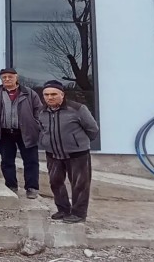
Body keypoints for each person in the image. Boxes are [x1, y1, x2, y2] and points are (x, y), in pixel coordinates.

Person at [39, 80, 100, 224]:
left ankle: (78, 214)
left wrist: (78, 142)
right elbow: (42, 129)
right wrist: (45, 141)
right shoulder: (41, 112)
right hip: (53, 154)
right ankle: (63, 210)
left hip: (77, 154)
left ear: (62, 94)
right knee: (55, 182)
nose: (50, 97)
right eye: (46, 95)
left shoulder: (78, 109)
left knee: (79, 185)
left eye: (54, 94)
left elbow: (92, 129)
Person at [0, 68, 44, 198]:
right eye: (4, 77)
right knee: (7, 161)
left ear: (16, 77)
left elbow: (39, 111)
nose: (7, 79)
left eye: (10, 76)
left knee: (31, 161)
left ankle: (32, 188)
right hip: (4, 132)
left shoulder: (29, 93)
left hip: (26, 132)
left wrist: (36, 125)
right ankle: (11, 185)